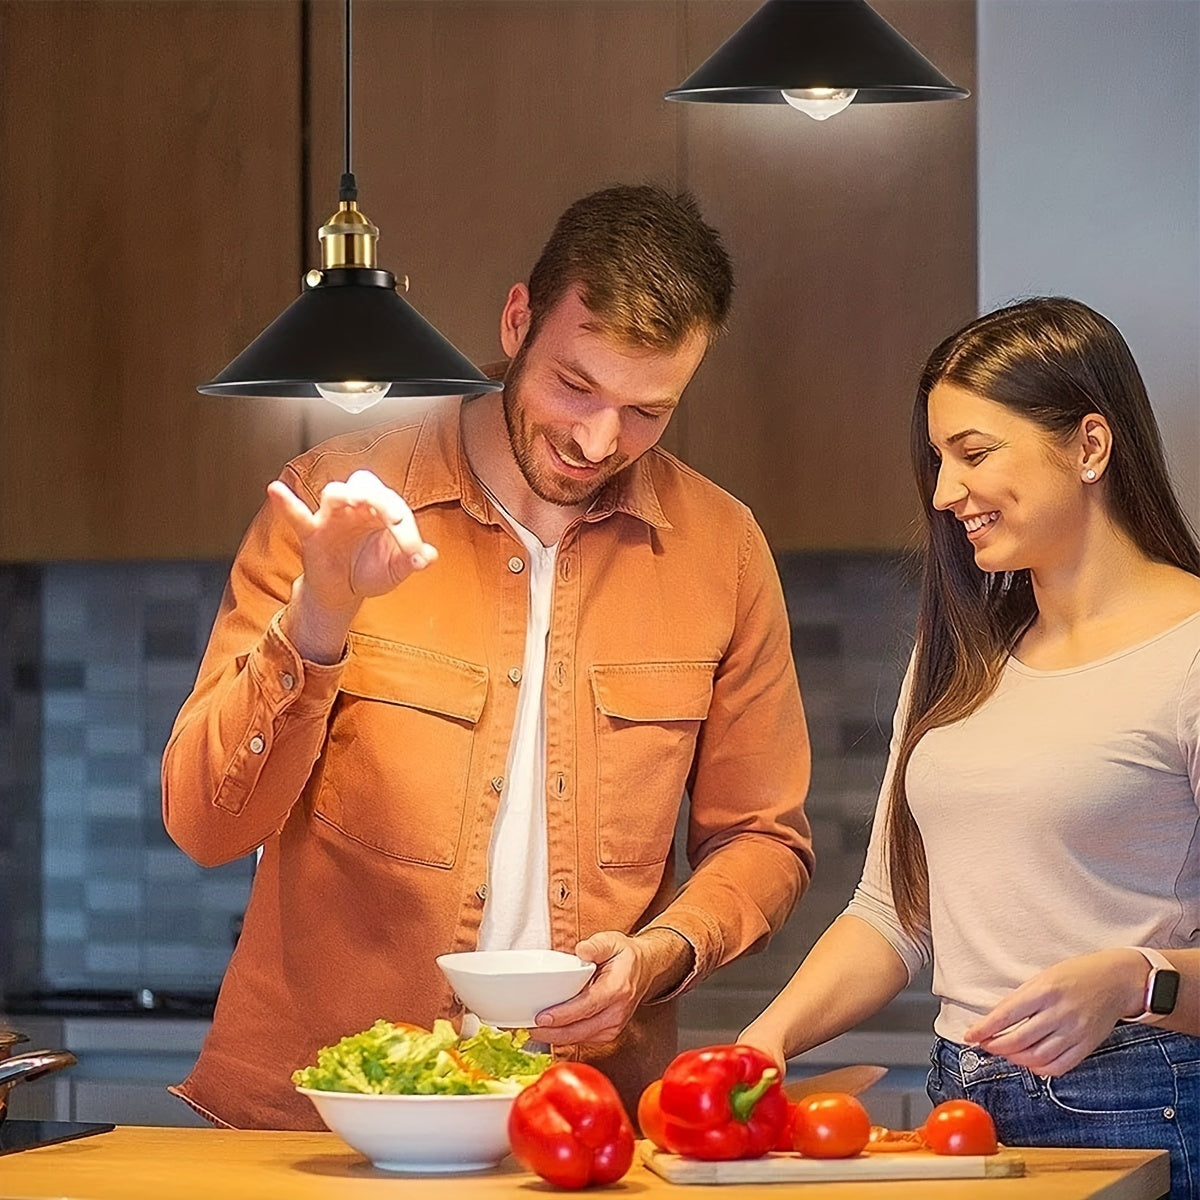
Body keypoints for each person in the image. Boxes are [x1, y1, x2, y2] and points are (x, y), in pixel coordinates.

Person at [162, 184, 814, 1129]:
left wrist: (662, 953)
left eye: (647, 412)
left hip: (580, 1128)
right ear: (518, 321)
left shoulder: (723, 549)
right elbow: (201, 825)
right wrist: (320, 617)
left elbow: (764, 839)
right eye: (576, 386)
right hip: (318, 1127)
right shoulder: (334, 503)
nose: (599, 440)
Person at [740, 297, 1200, 1198]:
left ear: (1090, 447)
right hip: (965, 1111)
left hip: (1141, 1107)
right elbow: (894, 912)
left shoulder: (1189, 650)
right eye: (939, 458)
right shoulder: (962, 651)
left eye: (973, 452)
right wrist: (768, 1039)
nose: (945, 492)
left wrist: (1135, 978)